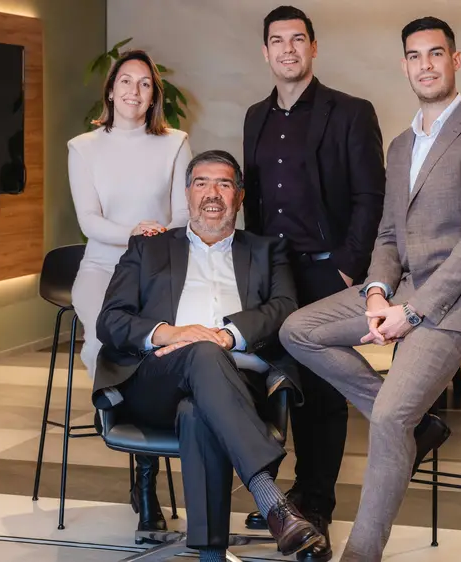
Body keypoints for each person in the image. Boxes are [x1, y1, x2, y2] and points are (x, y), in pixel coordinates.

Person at [278, 16, 461, 561]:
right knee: (298, 329)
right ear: (404, 66)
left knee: (392, 416)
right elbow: (389, 234)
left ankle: (361, 553)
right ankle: (415, 423)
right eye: (415, 56)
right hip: (405, 287)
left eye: (435, 54)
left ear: (455, 60)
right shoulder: (400, 145)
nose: (426, 65)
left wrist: (412, 312)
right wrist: (376, 292)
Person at [92, 150, 329, 562]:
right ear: (187, 194)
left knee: (197, 410)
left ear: (239, 196)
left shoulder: (267, 250)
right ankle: (271, 499)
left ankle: (211, 555)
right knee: (200, 355)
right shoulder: (149, 249)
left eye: (224, 183)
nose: (212, 193)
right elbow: (110, 320)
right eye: (201, 183)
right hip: (157, 380)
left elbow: (284, 307)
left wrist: (226, 336)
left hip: (240, 386)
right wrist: (172, 333)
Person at [241, 7, 385, 559]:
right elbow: (254, 199)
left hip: (327, 268)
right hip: (273, 270)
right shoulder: (255, 116)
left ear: (313, 47)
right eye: (277, 41)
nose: (288, 49)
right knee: (281, 379)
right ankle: (290, 496)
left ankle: (316, 500)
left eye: (297, 39)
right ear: (265, 52)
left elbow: (371, 195)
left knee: (323, 389)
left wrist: (348, 264)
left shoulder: (350, 111)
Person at [66, 50, 190, 537]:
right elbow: (89, 221)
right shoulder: (83, 147)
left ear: (154, 94)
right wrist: (134, 233)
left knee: (153, 350)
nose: (133, 91)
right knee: (109, 340)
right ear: (111, 88)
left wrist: (152, 239)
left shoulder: (175, 142)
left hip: (156, 268)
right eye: (125, 81)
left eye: (144, 83)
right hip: (102, 265)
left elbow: (183, 216)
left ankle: (145, 482)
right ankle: (121, 427)